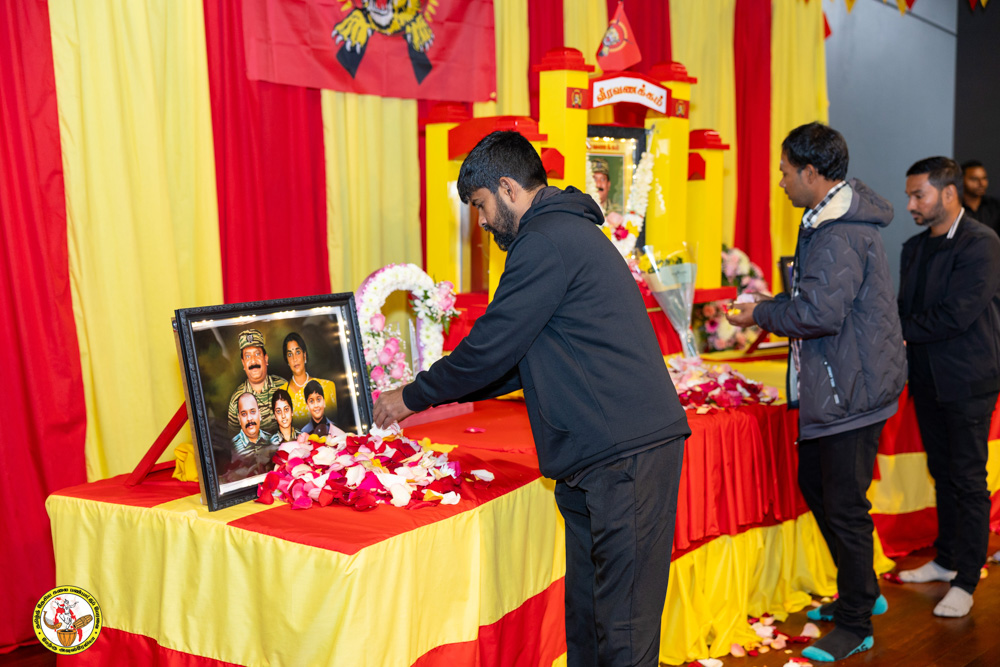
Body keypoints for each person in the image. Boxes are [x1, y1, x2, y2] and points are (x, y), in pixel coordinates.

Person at [373, 130, 690, 667]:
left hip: (625, 451)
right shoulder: (562, 231)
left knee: (623, 628)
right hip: (599, 452)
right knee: (590, 615)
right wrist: (428, 395)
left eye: (480, 205)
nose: (481, 221)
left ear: (507, 188)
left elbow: (490, 347)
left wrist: (411, 396)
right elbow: (514, 360)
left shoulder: (545, 240)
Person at [727, 122, 905, 662]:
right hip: (841, 382)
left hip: (852, 388)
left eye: (785, 171)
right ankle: (861, 592)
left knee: (844, 505)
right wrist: (769, 304)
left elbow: (819, 315)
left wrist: (759, 313)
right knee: (818, 487)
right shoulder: (826, 221)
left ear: (810, 172)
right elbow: (816, 299)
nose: (780, 181)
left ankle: (856, 623)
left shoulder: (840, 231)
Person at [896, 156, 1000, 618]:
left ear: (949, 193)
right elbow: (905, 308)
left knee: (969, 480)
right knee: (942, 473)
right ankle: (946, 558)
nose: (911, 204)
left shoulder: (982, 242)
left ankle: (966, 580)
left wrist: (895, 330)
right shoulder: (914, 247)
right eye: (909, 195)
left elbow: (956, 314)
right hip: (926, 379)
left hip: (969, 379)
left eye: (919, 195)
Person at [227, 329, 286, 436]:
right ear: (243, 363)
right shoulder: (236, 399)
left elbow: (298, 427)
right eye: (248, 356)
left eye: (257, 354)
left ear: (266, 359)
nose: (253, 361)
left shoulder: (284, 387)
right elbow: (233, 439)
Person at [280, 332, 338, 425]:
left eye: (298, 352)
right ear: (287, 360)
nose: (294, 358)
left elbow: (333, 425)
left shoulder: (327, 387)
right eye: (290, 354)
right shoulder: (282, 393)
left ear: (305, 355)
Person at [223, 392, 277, 483]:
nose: (249, 418)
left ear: (259, 414)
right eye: (244, 414)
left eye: (252, 412)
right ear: (239, 419)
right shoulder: (233, 445)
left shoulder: (271, 439)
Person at [961, 160, 1000, 235]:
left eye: (984, 178)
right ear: (961, 180)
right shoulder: (955, 208)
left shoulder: (996, 207)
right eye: (974, 179)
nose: (981, 183)